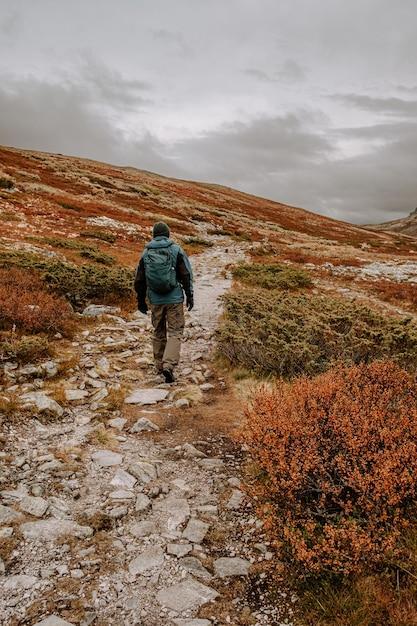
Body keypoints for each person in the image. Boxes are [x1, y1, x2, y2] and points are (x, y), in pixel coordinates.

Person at [134, 222, 194, 383]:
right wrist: (190, 296)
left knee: (158, 331)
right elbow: (186, 275)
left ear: (154, 235)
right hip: (174, 299)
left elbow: (139, 280)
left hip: (155, 300)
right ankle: (169, 365)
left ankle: (159, 365)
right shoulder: (176, 250)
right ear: (168, 234)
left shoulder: (146, 253)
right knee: (175, 332)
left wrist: (141, 301)